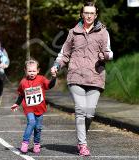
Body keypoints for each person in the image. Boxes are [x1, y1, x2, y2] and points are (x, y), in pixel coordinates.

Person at [51, 1, 113, 156]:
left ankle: (81, 137)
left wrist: (104, 56)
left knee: (89, 113)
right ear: (82, 14)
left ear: (96, 15)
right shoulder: (73, 32)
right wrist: (56, 66)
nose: (89, 16)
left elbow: (109, 53)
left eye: (92, 13)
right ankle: (82, 144)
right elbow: (64, 54)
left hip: (95, 77)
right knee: (80, 110)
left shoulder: (103, 32)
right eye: (86, 13)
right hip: (75, 76)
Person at [11, 59, 56, 153]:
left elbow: (50, 85)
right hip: (28, 108)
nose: (32, 73)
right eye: (30, 71)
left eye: (34, 71)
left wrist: (54, 77)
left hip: (40, 107)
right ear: (25, 71)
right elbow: (21, 94)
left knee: (38, 127)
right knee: (31, 122)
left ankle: (36, 144)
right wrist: (17, 103)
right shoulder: (23, 82)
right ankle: (25, 142)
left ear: (38, 70)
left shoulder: (41, 79)